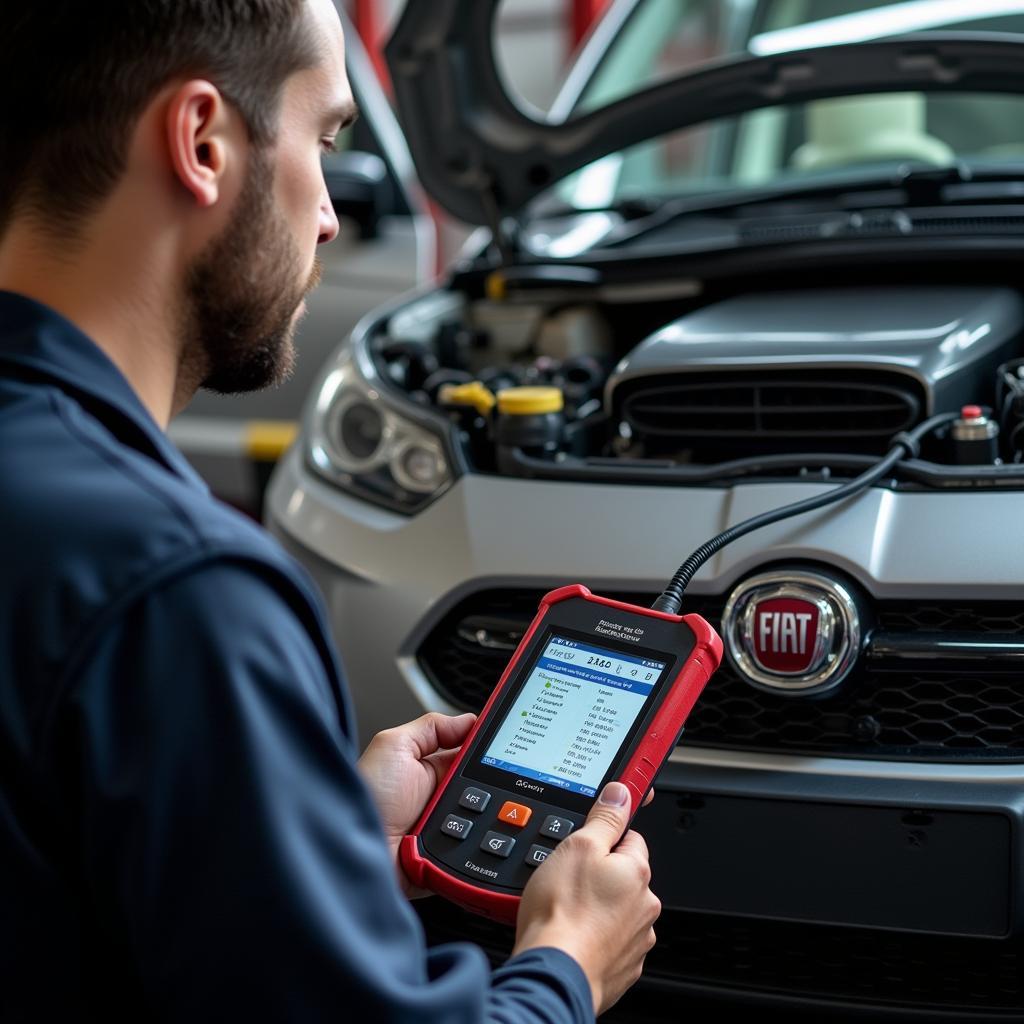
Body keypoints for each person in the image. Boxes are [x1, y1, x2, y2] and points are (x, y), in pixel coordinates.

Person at [0, 2, 661, 1021]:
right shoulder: (179, 589)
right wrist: (564, 964)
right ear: (204, 142)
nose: (329, 214)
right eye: (327, 135)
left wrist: (312, 836)